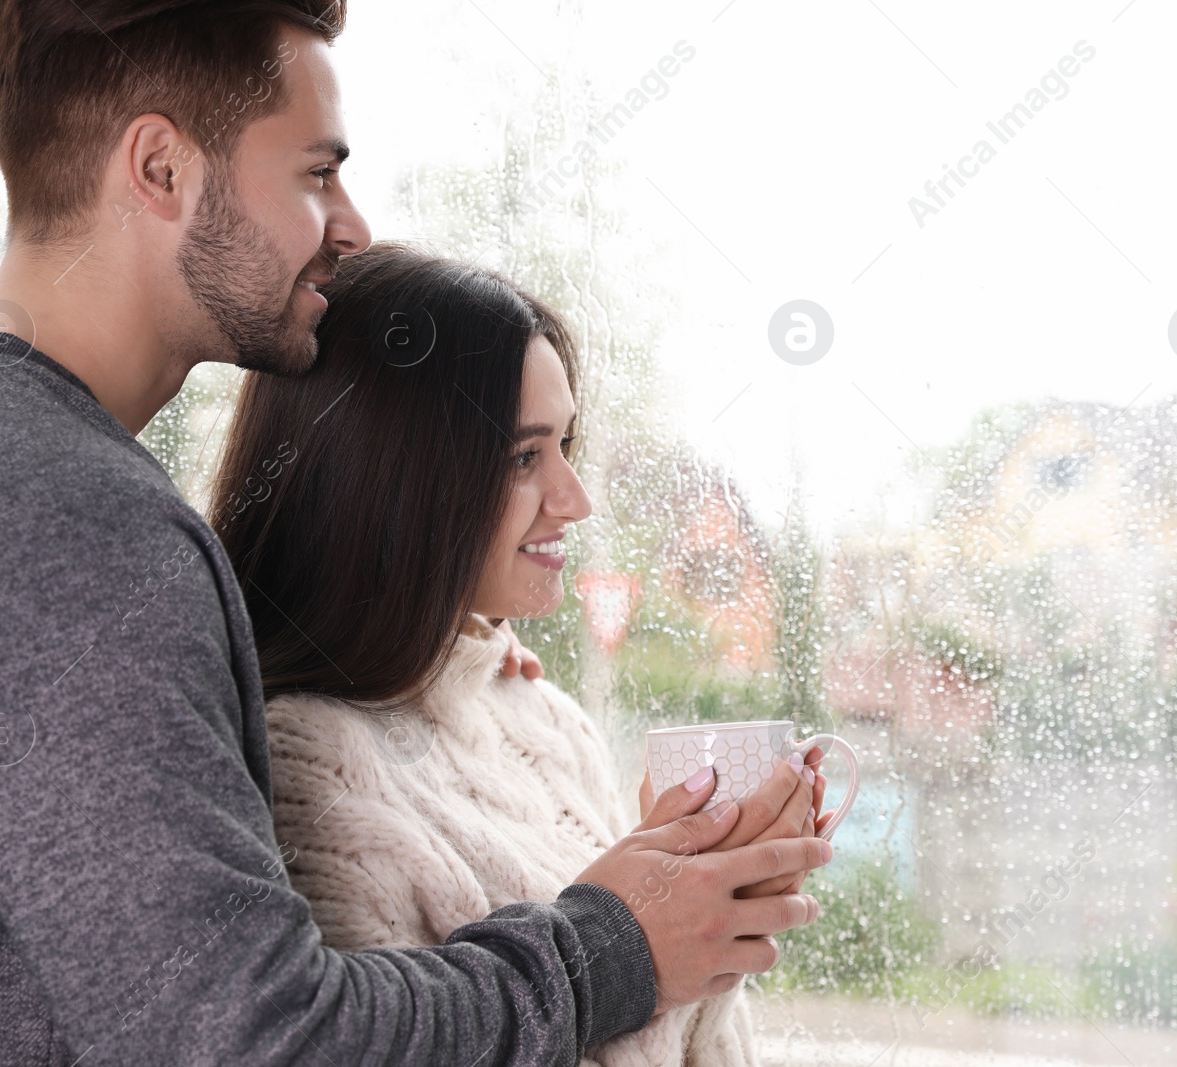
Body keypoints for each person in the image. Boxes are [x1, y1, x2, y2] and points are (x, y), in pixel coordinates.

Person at [0, 2, 832, 1064]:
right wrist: (612, 945)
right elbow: (255, 1039)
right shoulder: (60, 518)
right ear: (159, 168)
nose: (352, 228)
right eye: (314, 173)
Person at [212, 244, 833, 1065]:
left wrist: (713, 896)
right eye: (522, 456)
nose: (575, 499)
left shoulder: (547, 722)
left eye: (567, 445)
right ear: (394, 480)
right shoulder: (308, 768)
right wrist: (651, 939)